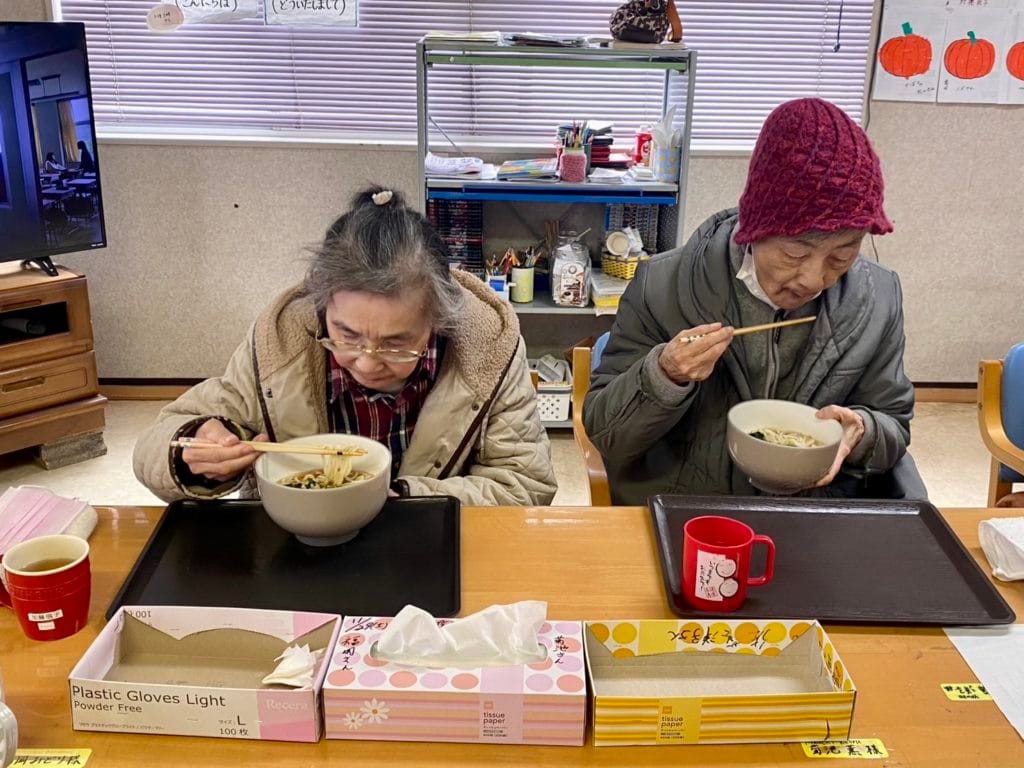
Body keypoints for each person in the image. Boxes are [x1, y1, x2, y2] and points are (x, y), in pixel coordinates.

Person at [133, 186, 557, 506]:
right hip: (294, 547)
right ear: (321, 306)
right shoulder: (281, 340)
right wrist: (195, 453)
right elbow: (158, 443)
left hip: (424, 546)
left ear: (437, 322)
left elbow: (524, 484)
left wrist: (408, 498)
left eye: (396, 344)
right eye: (346, 335)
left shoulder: (486, 345)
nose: (367, 363)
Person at [584, 97, 917, 504]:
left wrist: (862, 431)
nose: (813, 279)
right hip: (691, 509)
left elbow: (894, 423)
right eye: (795, 253)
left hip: (813, 512)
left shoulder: (878, 299)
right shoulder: (662, 284)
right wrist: (665, 375)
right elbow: (607, 434)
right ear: (755, 229)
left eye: (841, 255)